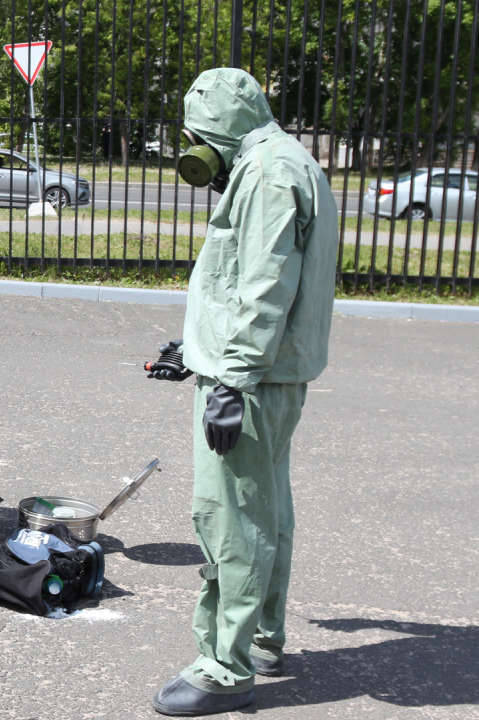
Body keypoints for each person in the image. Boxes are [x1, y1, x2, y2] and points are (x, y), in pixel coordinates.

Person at [145, 68, 339, 716]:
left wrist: (227, 374)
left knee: (229, 519)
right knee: (267, 512)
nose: (197, 150)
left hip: (249, 379)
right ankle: (261, 637)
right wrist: (197, 347)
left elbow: (263, 285)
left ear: (220, 128)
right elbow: (243, 279)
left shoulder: (264, 174)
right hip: (269, 372)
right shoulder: (287, 160)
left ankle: (223, 667)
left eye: (199, 137)